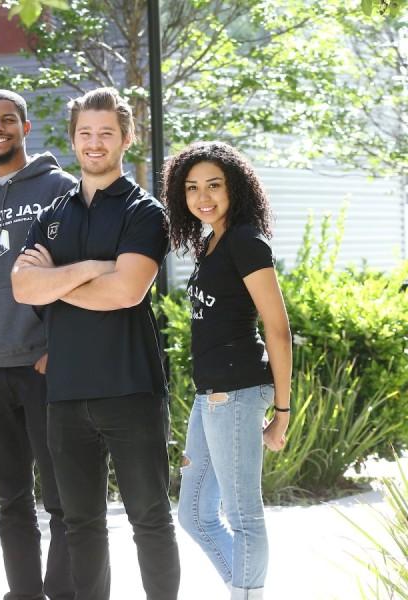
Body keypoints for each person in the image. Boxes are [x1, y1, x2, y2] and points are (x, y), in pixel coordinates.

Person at [11, 87, 180, 600]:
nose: (94, 142)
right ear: (73, 139)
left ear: (126, 138)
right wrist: (89, 270)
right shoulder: (54, 211)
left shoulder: (143, 212)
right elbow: (22, 287)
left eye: (106, 132)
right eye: (85, 132)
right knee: (81, 523)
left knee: (149, 518)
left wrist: (56, 283)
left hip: (131, 389)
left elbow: (128, 290)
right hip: (65, 393)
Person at [0, 90, 77, 600]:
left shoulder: (60, 188)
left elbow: (77, 272)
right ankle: (23, 593)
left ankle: (63, 592)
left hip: (46, 365)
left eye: (8, 120)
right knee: (11, 500)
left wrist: (61, 347)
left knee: (63, 499)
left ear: (26, 128)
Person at [164, 142, 292, 599]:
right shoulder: (210, 241)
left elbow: (277, 329)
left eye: (214, 185)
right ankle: (244, 590)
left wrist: (283, 410)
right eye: (193, 187)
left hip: (237, 392)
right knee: (195, 513)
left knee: (242, 516)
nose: (203, 196)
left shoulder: (245, 240)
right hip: (211, 394)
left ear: (234, 187)